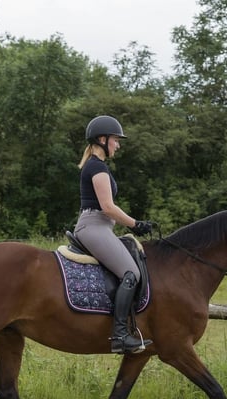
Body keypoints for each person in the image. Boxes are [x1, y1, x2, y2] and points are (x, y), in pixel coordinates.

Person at [73, 115, 154, 354]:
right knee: (131, 273)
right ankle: (120, 335)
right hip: (94, 226)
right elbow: (107, 207)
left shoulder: (97, 166)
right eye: (115, 140)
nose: (117, 145)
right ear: (102, 139)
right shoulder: (97, 167)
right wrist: (135, 224)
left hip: (100, 226)